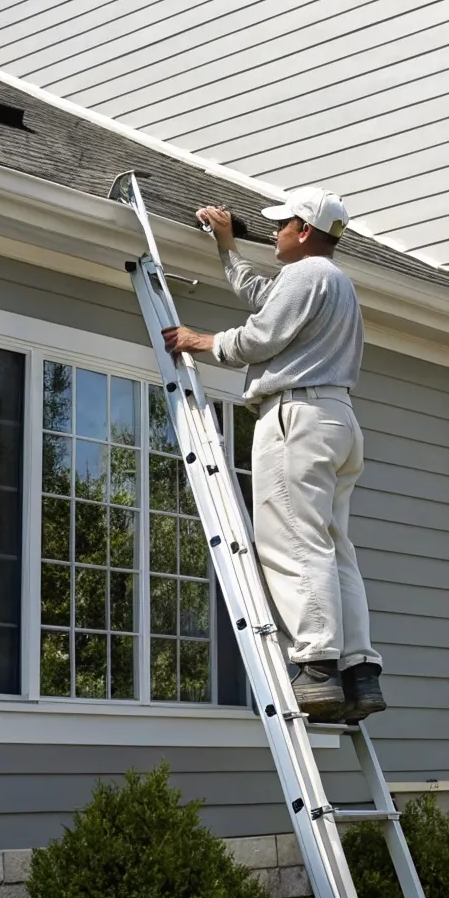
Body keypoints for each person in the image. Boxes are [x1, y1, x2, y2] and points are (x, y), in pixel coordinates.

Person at [162, 188, 381, 723]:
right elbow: (265, 296)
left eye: (283, 225)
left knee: (291, 541)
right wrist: (226, 250)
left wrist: (200, 340)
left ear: (304, 231)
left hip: (297, 418)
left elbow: (259, 337)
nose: (277, 232)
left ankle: (316, 666)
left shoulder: (308, 277)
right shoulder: (332, 283)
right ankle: (358, 671)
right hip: (337, 420)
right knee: (332, 545)